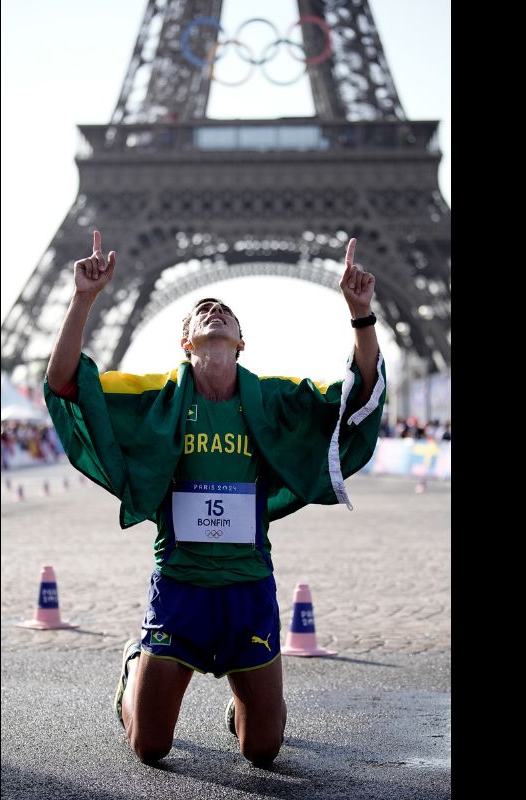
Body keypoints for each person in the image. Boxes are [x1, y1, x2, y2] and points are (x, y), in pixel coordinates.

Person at [44, 231, 385, 768]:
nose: (215, 310)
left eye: (225, 311)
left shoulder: (271, 399)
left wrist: (360, 314)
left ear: (241, 341)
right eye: (203, 310)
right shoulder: (158, 399)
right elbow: (65, 383)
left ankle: (248, 703)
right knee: (151, 747)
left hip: (247, 587)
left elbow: (357, 396)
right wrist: (82, 299)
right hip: (181, 587)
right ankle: (136, 667)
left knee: (263, 751)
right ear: (187, 342)